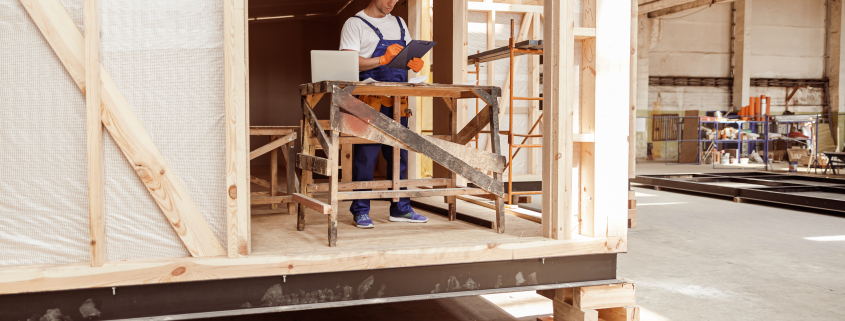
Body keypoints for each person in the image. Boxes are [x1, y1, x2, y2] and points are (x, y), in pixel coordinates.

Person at [339, 0, 428, 228]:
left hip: (398, 101)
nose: (392, 3)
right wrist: (381, 59)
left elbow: (406, 58)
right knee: (365, 157)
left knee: (399, 156)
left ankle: (401, 208)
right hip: (368, 101)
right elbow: (347, 64)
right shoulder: (355, 23)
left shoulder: (399, 22)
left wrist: (414, 64)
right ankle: (360, 210)